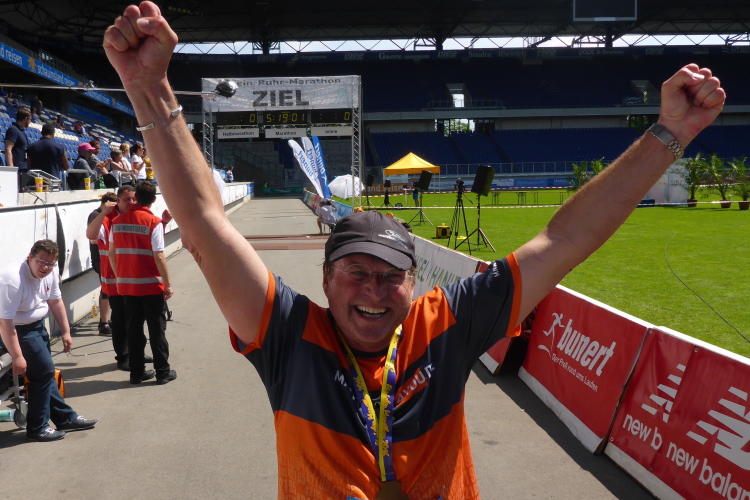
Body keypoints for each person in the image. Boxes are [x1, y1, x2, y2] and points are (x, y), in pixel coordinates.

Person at [103, 3, 725, 497]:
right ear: (326, 278)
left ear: (414, 279)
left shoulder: (446, 324)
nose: (373, 291)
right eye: (356, 272)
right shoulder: (288, 334)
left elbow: (564, 240)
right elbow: (205, 226)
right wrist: (150, 87)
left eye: (390, 275)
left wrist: (670, 133)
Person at [0, 239, 98, 442]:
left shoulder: (50, 272)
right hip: (16, 330)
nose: (45, 267)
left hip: (37, 326)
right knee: (43, 374)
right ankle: (38, 427)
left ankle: (65, 418)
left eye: (50, 263)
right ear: (30, 257)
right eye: (41, 261)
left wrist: (66, 332)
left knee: (45, 374)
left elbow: (55, 300)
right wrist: (17, 356)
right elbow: (4, 322)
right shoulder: (12, 279)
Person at [109, 181, 175, 385]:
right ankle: (162, 372)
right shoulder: (153, 222)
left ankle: (136, 373)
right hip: (151, 285)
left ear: (135, 197)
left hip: (128, 286)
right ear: (154, 199)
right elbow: (159, 256)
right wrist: (168, 284)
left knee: (133, 330)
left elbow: (111, 254)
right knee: (157, 329)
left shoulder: (116, 222)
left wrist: (119, 278)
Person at [86, 185, 153, 371]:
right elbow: (91, 235)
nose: (131, 202)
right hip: (115, 279)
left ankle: (137, 352)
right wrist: (103, 213)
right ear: (117, 200)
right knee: (121, 320)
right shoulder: (107, 218)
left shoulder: (135, 215)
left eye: (133, 199)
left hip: (134, 277)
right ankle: (123, 357)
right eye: (126, 199)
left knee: (136, 319)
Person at [87, 192, 118, 336]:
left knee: (107, 289)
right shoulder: (96, 215)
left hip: (107, 258)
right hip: (100, 258)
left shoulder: (110, 216)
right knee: (106, 289)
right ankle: (104, 323)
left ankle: (106, 320)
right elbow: (93, 238)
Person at [4, 108, 31, 190]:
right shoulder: (13, 130)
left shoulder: (21, 131)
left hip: (24, 168)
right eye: (30, 119)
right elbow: (8, 149)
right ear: (26, 119)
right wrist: (12, 170)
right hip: (18, 169)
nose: (30, 122)